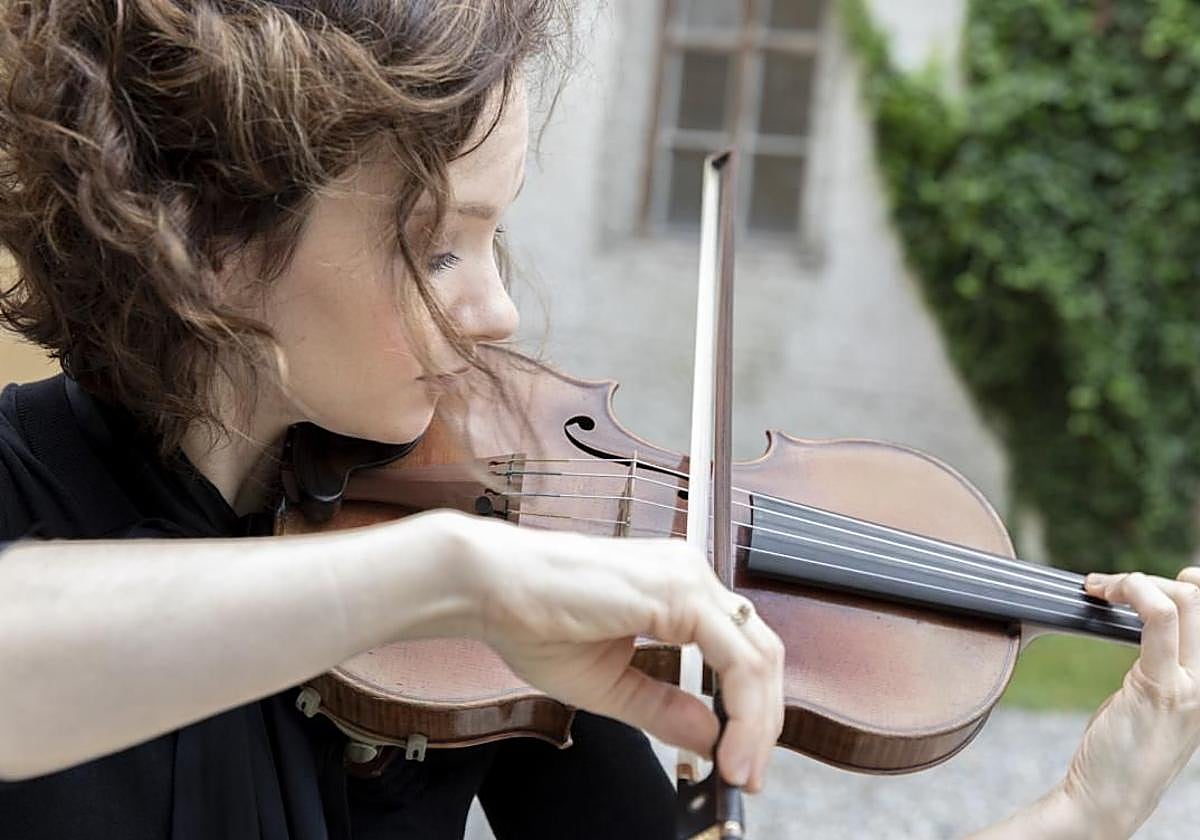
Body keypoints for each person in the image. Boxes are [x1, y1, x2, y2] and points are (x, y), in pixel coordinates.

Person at [0, 2, 1194, 839]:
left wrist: (1088, 810)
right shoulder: (28, 507)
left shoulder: (501, 582)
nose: (500, 309)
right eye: (435, 246)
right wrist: (440, 573)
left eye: (497, 232)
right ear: (206, 248)